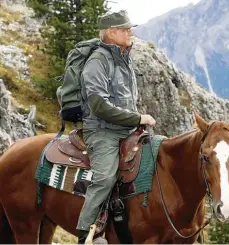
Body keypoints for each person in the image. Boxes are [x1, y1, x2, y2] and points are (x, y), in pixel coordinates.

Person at [76, 10, 156, 244]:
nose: (130, 32)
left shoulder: (125, 59)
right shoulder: (97, 62)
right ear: (111, 33)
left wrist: (136, 122)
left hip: (127, 130)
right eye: (125, 28)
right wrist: (138, 119)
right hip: (102, 131)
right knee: (105, 178)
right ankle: (86, 234)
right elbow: (99, 105)